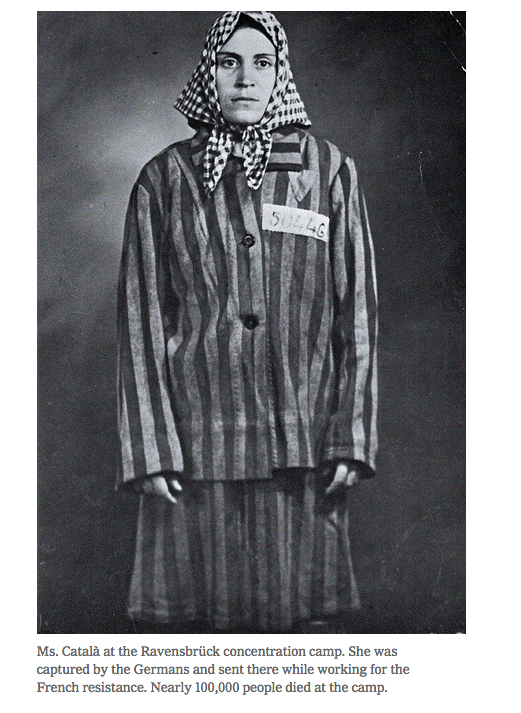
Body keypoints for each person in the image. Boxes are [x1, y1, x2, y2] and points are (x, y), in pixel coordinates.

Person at [117, 10, 378, 633]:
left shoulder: (330, 172)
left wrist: (352, 436)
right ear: (209, 72)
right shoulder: (164, 180)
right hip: (194, 449)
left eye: (262, 63)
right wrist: (152, 450)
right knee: (199, 634)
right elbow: (140, 321)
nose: (245, 79)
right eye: (229, 62)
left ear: (280, 74)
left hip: (303, 445)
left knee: (297, 632)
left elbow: (359, 315)